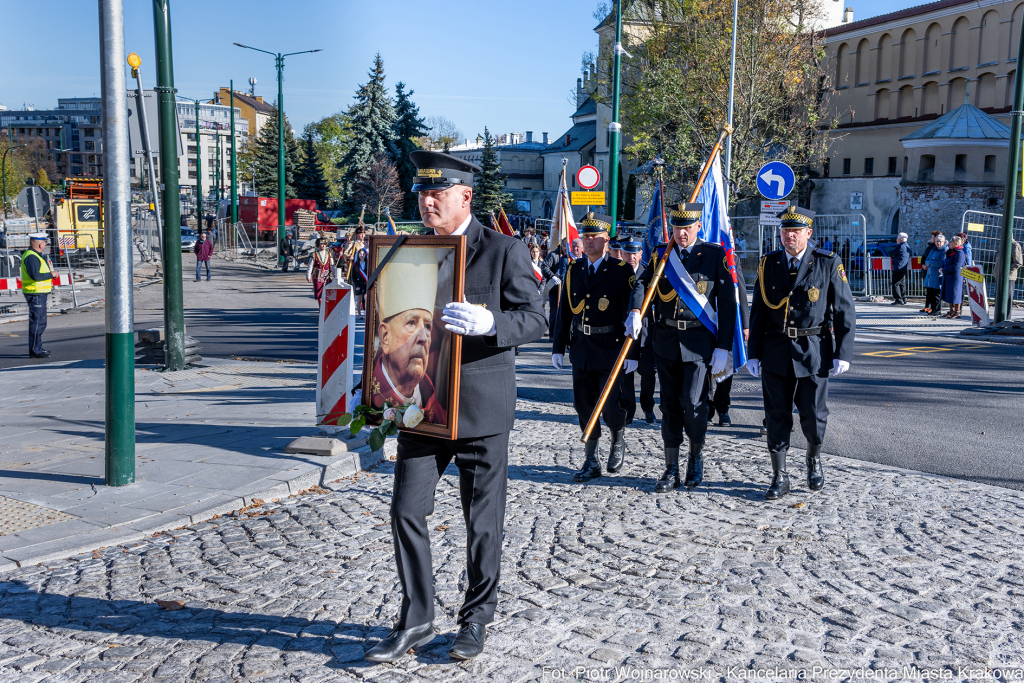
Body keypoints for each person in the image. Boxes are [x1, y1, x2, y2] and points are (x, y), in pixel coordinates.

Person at [363, 151, 545, 664]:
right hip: (425, 409)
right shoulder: (412, 250)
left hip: (483, 411)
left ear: (465, 196)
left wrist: (492, 325)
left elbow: (536, 319)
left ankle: (476, 619)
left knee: (481, 522)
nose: (426, 202)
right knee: (406, 510)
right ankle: (418, 615)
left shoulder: (503, 249)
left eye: (436, 194)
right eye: (421, 193)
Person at [747, 207, 856, 500]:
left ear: (809, 233)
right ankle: (779, 476)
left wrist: (842, 351)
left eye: (795, 231)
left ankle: (813, 458)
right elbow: (758, 311)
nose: (789, 236)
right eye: (785, 231)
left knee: (813, 414)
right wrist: (753, 353)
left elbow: (844, 310)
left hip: (814, 350)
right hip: (775, 350)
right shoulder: (768, 263)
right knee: (776, 415)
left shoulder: (827, 263)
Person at [638, 203, 736, 493]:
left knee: (693, 405)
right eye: (677, 227)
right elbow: (642, 285)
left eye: (687, 228)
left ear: (698, 228)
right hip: (666, 340)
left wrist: (723, 347)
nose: (681, 233)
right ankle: (670, 468)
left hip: (698, 343)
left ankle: (695, 457)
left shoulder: (714, 256)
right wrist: (634, 310)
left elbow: (728, 305)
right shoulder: (661, 255)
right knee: (669, 406)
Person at [552, 213, 644, 481]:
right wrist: (558, 347)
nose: (589, 241)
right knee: (583, 405)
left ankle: (618, 438)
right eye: (586, 236)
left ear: (606, 241)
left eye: (595, 237)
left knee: (611, 406)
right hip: (582, 346)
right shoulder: (574, 270)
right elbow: (565, 313)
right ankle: (591, 460)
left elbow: (633, 315)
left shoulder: (620, 270)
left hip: (610, 348)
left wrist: (633, 353)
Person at [369, 248, 447, 424]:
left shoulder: (439, 413)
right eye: (411, 323)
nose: (424, 338)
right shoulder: (370, 397)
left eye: (428, 326)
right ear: (385, 336)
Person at [706, 256, 749, 428]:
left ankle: (723, 409)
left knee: (727, 364)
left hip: (727, 320)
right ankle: (707, 410)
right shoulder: (700, 255)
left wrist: (745, 323)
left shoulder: (731, 258)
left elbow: (741, 291)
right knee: (705, 366)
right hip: (705, 318)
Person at [618, 238, 657, 425]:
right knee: (625, 376)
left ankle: (648, 408)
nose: (631, 257)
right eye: (627, 253)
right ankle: (628, 410)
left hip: (645, 335)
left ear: (641, 253)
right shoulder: (617, 273)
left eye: (635, 253)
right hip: (624, 333)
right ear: (622, 254)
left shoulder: (649, 273)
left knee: (648, 375)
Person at [21, 233, 57, 358]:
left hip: (38, 293)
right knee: (37, 323)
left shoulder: (34, 255)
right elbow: (36, 276)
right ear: (40, 244)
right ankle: (35, 350)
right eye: (45, 243)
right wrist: (51, 274)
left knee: (40, 322)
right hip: (35, 293)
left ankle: (37, 348)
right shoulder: (31, 257)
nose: (45, 245)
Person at [543, 241, 569, 336]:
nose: (566, 248)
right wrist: (552, 276)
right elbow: (544, 267)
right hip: (554, 288)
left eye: (568, 246)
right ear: (561, 245)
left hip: (567, 289)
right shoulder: (553, 255)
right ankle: (552, 333)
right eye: (564, 245)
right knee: (554, 312)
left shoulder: (571, 256)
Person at [941, 235, 967, 319]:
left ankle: (957, 312)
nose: (949, 243)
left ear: (956, 243)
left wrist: (944, 269)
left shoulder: (960, 253)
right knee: (949, 293)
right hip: (949, 276)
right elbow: (946, 262)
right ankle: (951, 311)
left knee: (956, 294)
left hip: (956, 277)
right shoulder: (950, 252)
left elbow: (957, 266)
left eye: (951, 241)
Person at [306, 238, 334, 305]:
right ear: (318, 245)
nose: (323, 245)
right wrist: (308, 275)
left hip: (326, 277)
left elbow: (332, 266)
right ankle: (321, 308)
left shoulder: (329, 254)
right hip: (317, 277)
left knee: (327, 293)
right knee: (319, 293)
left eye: (325, 244)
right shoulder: (314, 254)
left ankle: (326, 307)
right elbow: (310, 266)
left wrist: (335, 274)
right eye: (322, 244)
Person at [923, 233, 946, 316]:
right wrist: (931, 263)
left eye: (940, 241)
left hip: (937, 275)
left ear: (943, 242)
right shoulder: (933, 249)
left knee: (936, 294)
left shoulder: (944, 251)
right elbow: (926, 260)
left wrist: (930, 263)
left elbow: (942, 263)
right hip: (930, 274)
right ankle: (932, 309)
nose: (938, 243)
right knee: (931, 293)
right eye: (937, 241)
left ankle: (937, 310)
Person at [891, 232, 911, 306]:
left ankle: (898, 299)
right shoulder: (907, 246)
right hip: (903, 267)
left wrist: (893, 256)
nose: (896, 240)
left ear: (901, 239)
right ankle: (903, 298)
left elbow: (891, 253)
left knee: (895, 284)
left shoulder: (900, 247)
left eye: (897, 238)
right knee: (902, 284)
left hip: (898, 267)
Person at [352, 247, 368, 315]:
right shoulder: (355, 264)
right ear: (358, 255)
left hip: (366, 284)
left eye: (363, 254)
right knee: (359, 300)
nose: (362, 255)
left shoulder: (369, 264)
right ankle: (359, 314)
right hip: (358, 284)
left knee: (366, 298)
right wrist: (356, 286)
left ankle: (366, 313)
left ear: (365, 255)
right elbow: (353, 276)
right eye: (360, 254)